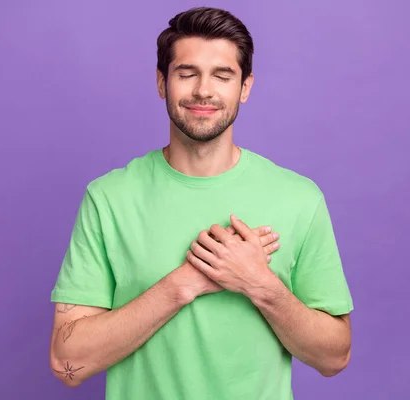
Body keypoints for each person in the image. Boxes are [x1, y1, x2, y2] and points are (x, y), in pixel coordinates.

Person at [49, 6, 353, 399]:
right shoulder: (109, 198)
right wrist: (186, 283)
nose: (203, 91)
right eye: (186, 73)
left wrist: (260, 284)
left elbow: (334, 358)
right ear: (162, 82)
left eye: (222, 75)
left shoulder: (299, 198)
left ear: (245, 87)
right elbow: (67, 364)